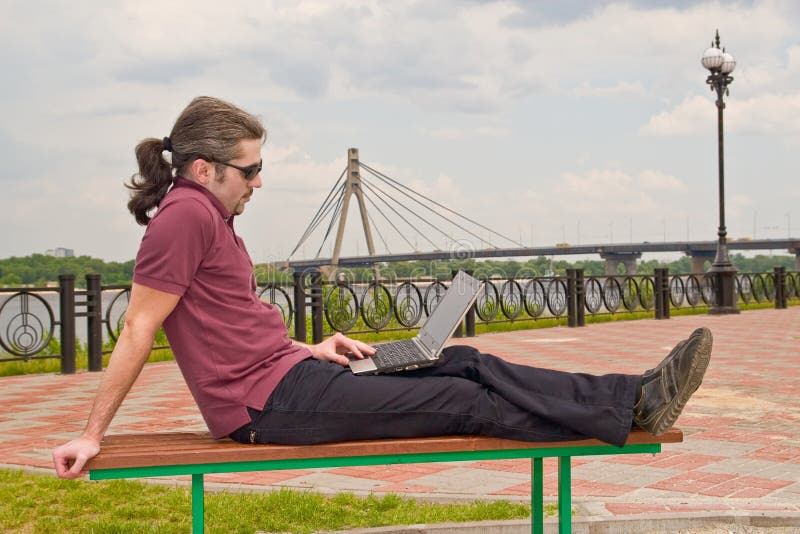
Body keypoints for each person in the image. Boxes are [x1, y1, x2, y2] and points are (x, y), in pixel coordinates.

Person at [53, 96, 712, 479]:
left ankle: (634, 397)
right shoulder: (186, 217)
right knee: (462, 399)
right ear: (205, 168)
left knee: (463, 358)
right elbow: (139, 326)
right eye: (250, 170)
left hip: (291, 378)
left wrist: (308, 349)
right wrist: (94, 433)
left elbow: (231, 327)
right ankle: (626, 414)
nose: (259, 181)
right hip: (268, 411)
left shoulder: (211, 213)